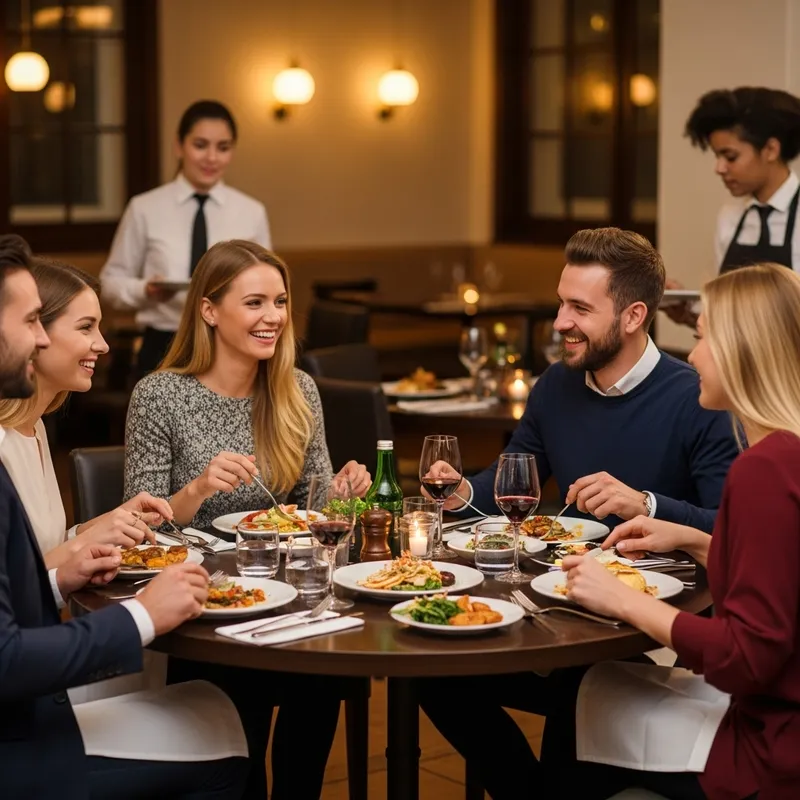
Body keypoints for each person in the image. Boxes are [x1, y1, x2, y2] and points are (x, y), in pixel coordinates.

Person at [0, 241, 248, 799]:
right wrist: (138, 611)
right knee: (213, 713)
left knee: (209, 696)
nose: (103, 345)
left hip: (45, 657)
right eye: (84, 327)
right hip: (32, 695)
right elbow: (18, 602)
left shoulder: (35, 428)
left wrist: (99, 525)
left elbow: (27, 548)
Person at [124, 239, 371, 799]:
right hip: (209, 607)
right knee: (245, 730)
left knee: (321, 675)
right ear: (210, 310)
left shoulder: (296, 388)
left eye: (280, 302)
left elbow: (321, 511)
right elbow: (139, 531)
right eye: (255, 302)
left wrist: (343, 494)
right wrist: (197, 489)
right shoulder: (159, 395)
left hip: (295, 601)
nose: (274, 318)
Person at [544, 262, 800, 799]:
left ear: (746, 352)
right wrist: (693, 539)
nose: (691, 356)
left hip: (770, 754)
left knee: (580, 718)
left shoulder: (765, 469)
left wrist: (621, 599)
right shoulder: (786, 453)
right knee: (587, 700)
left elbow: (747, 656)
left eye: (703, 339)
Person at [429, 227, 738, 533]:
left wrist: (647, 505)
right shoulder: (555, 384)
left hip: (667, 580)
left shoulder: (701, 397)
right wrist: (460, 491)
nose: (560, 322)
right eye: (562, 303)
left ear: (633, 317)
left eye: (580, 308)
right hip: (565, 577)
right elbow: (510, 487)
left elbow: (730, 526)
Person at [100, 100, 271, 375]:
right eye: (200, 145)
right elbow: (110, 285)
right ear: (179, 146)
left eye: (223, 147)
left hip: (231, 346)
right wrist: (145, 290)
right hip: (163, 345)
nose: (212, 158)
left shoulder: (252, 212)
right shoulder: (144, 207)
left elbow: (267, 287)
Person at [665, 86, 800, 327]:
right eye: (718, 157)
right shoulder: (730, 216)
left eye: (730, 157)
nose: (719, 168)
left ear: (770, 149)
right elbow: (725, 315)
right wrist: (687, 313)